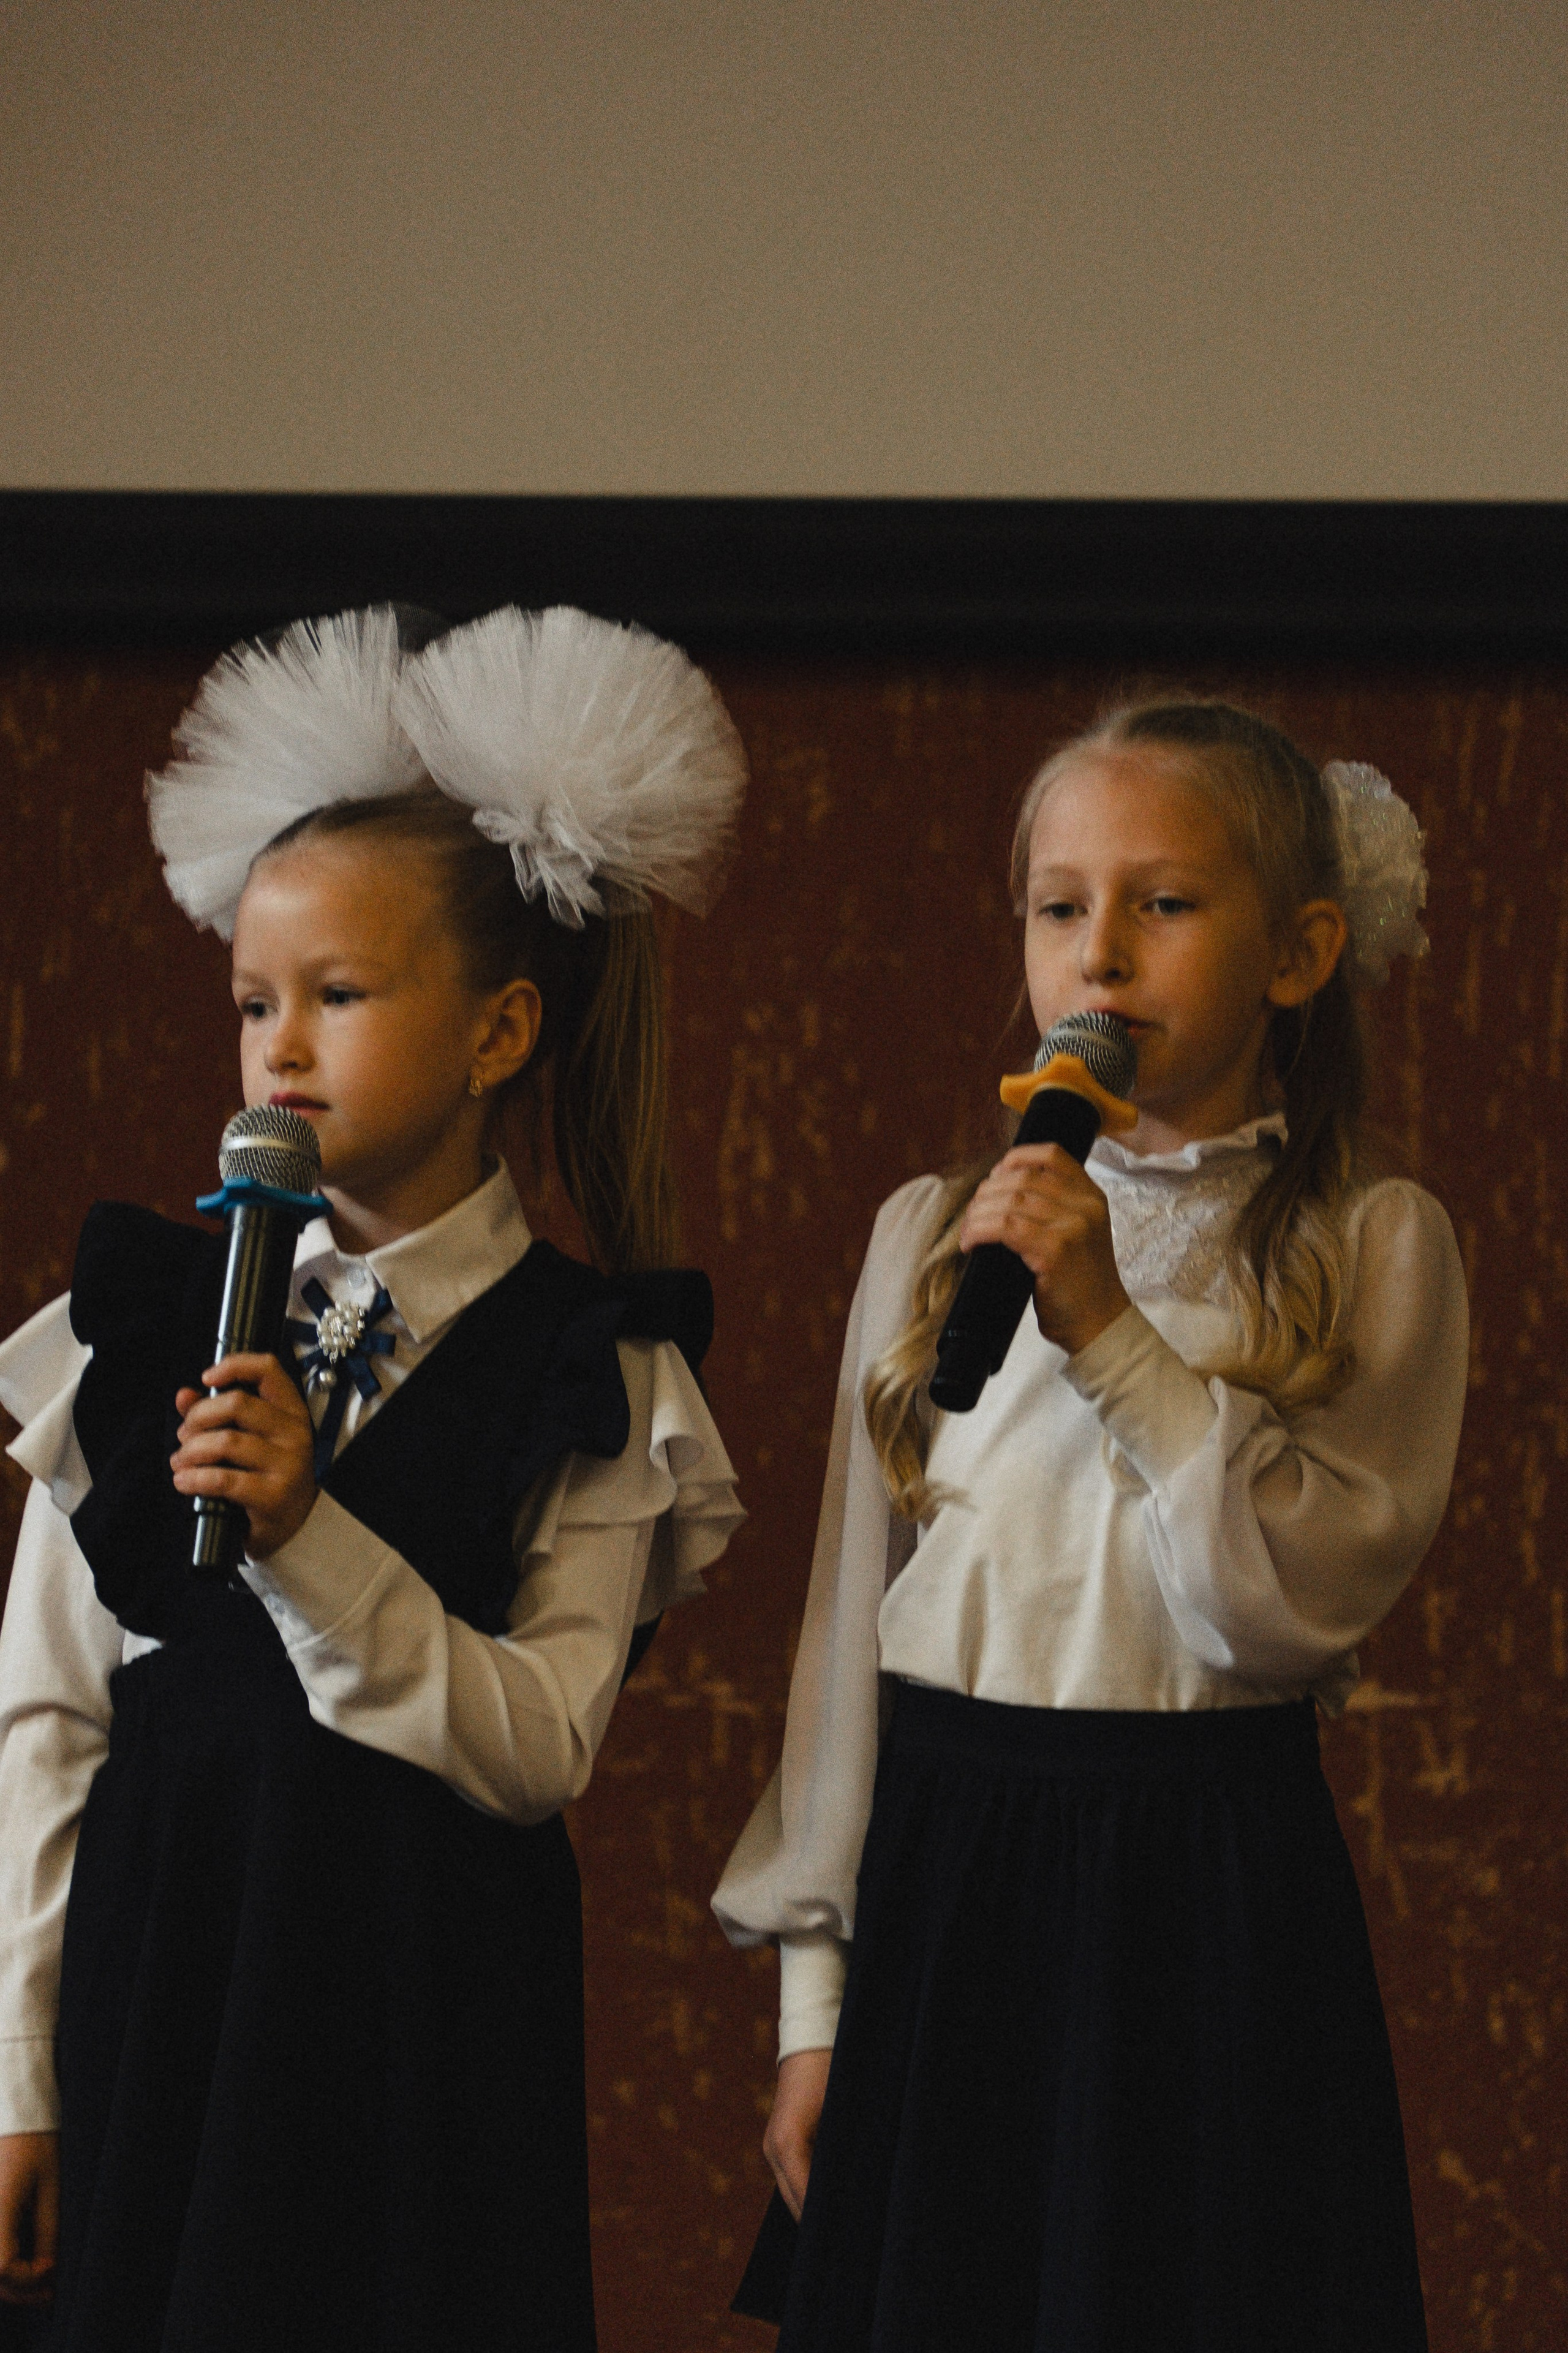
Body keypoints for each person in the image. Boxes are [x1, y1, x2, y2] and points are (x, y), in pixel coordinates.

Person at [0, 604, 747, 2351]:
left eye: (339, 996)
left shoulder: (595, 1369)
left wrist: (307, 1542)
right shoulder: (144, 1321)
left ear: (498, 1035)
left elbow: (542, 1740)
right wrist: (18, 2067)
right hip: (164, 1997)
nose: (280, 1048)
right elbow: (47, 1710)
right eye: (256, 1000)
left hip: (419, 2039)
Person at [714, 701, 1468, 2353]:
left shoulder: (1371, 1240)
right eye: (1060, 905)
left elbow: (1274, 1612)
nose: (1100, 951)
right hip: (953, 1872)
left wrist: (1114, 1331)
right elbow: (850, 1631)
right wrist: (816, 2005)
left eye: (1165, 902)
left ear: (1299, 949)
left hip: (1200, 1888)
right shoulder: (934, 1228)